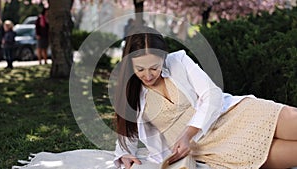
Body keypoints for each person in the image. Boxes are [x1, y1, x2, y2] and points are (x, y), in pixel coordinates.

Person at [112, 26, 297, 169]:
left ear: (163, 57)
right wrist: (124, 153)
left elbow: (212, 95)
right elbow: (127, 130)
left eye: (154, 67)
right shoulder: (131, 92)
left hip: (233, 115)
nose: (148, 75)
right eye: (140, 69)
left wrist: (187, 134)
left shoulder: (179, 61)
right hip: (211, 147)